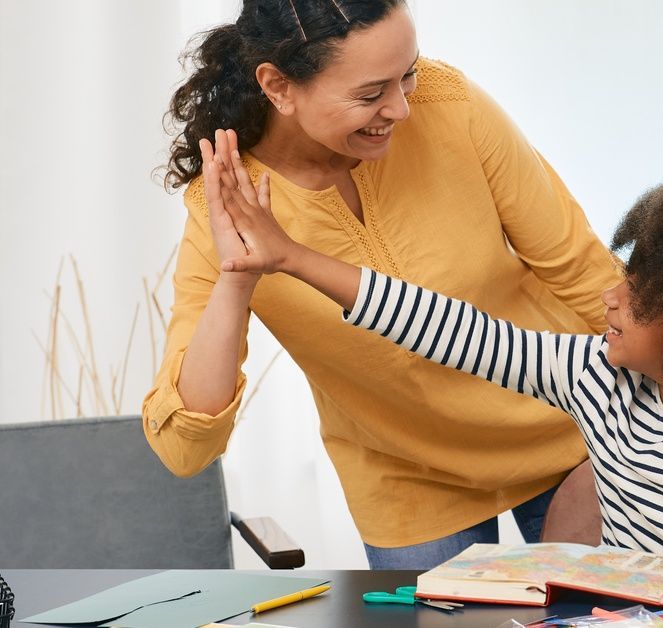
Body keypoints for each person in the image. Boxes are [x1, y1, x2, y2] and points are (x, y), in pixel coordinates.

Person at [206, 164, 663, 608]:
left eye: (640, 292)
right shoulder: (599, 380)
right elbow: (450, 328)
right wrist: (291, 257)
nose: (612, 296)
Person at [142, 0, 623, 569]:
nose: (401, 108)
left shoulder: (449, 104)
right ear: (278, 86)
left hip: (572, 430)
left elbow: (581, 268)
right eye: (370, 94)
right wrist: (236, 279)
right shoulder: (227, 206)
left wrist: (661, 422)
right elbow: (184, 448)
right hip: (408, 479)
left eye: (407, 74)